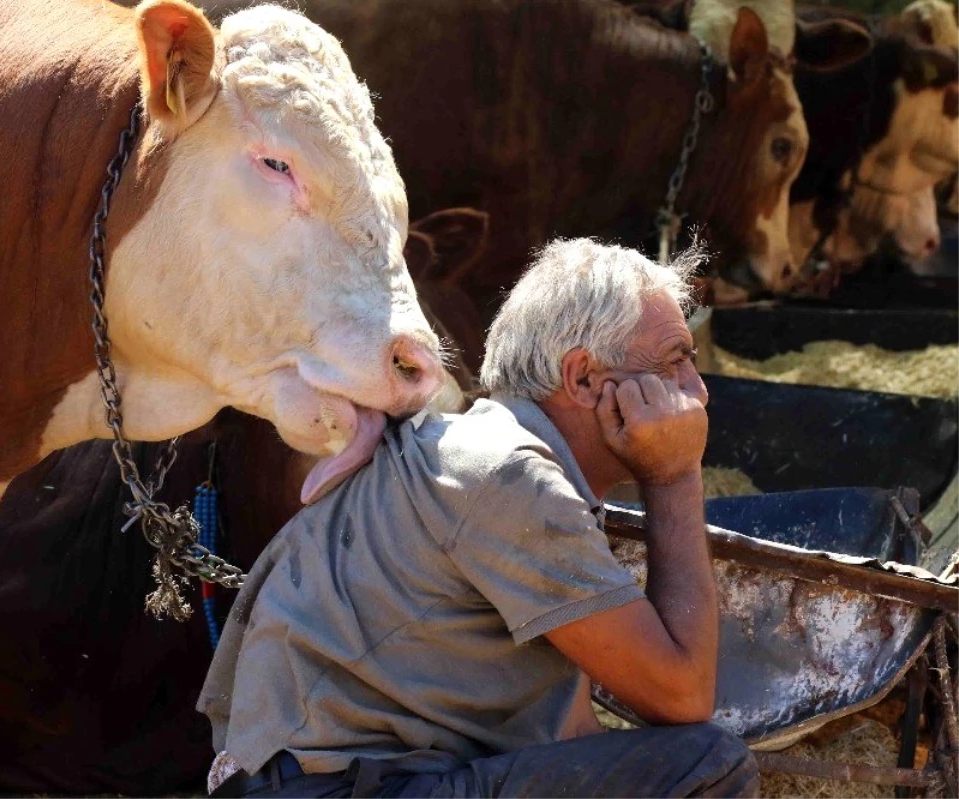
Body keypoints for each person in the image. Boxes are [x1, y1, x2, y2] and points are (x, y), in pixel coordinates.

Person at [197, 239, 759, 798]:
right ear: (584, 378)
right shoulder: (510, 479)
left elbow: (570, 736)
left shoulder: (479, 451)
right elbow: (682, 697)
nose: (698, 391)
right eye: (676, 361)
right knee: (707, 764)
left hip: (327, 783)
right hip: (333, 790)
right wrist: (675, 475)